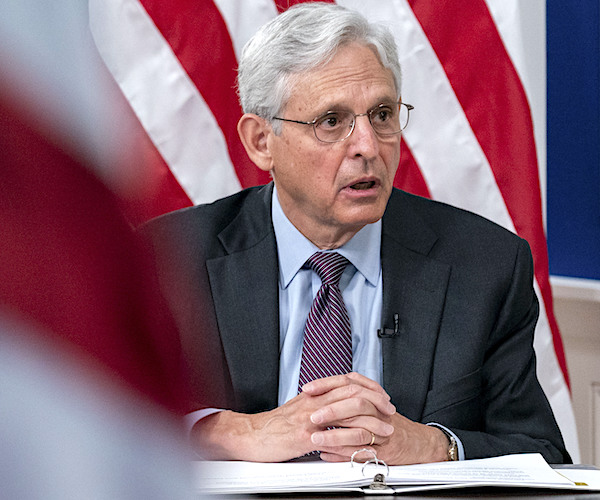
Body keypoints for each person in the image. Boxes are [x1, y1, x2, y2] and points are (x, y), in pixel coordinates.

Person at [142, 2, 569, 465]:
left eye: (382, 114)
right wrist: (231, 432)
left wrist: (428, 445)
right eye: (332, 121)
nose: (368, 146)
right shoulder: (169, 259)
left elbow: (543, 456)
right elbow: (92, 428)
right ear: (262, 142)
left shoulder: (485, 266)